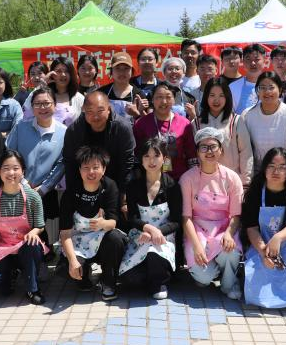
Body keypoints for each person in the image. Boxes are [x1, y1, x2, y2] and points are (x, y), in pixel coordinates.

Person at [242, 148, 286, 312]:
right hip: (260, 243)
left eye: (282, 167)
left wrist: (278, 238)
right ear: (264, 168)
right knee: (255, 297)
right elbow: (251, 227)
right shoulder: (255, 192)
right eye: (271, 166)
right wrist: (263, 252)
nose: (276, 171)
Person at [0, 150, 47, 304]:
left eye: (15, 168)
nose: (11, 173)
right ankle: (10, 278)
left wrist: (34, 232)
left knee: (33, 244)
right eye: (6, 168)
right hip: (3, 249)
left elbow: (40, 225)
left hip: (25, 248)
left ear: (23, 171)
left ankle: (33, 289)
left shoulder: (33, 196)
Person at [180, 128, 244, 299]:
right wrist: (196, 245)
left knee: (230, 251)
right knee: (203, 276)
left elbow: (236, 214)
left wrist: (229, 234)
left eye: (213, 146)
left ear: (221, 150)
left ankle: (229, 283)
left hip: (223, 229)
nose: (209, 151)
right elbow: (186, 217)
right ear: (197, 152)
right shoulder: (187, 179)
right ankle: (213, 272)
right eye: (204, 147)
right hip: (197, 231)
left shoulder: (232, 178)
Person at [59, 146, 127, 301]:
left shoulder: (110, 186)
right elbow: (65, 232)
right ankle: (84, 276)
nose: (91, 172)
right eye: (86, 168)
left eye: (96, 167)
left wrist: (103, 223)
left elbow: (113, 223)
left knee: (115, 239)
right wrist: (72, 261)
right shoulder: (71, 192)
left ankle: (108, 282)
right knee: (68, 271)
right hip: (78, 241)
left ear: (104, 169)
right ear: (79, 170)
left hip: (102, 238)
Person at [119, 138, 182, 299]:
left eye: (156, 156)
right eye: (147, 156)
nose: (151, 161)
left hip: (164, 235)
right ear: (141, 159)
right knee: (130, 279)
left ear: (164, 158)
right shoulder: (133, 185)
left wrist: (157, 232)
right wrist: (147, 229)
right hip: (141, 234)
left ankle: (160, 282)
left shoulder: (172, 186)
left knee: (155, 251)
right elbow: (132, 217)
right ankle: (151, 276)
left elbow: (176, 221)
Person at [6, 86, 67, 249]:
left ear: (55, 105)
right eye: (38, 104)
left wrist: (44, 188)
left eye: (47, 103)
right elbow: (9, 154)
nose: (42, 107)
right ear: (32, 107)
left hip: (45, 191)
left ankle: (46, 252)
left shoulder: (63, 132)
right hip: (17, 187)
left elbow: (62, 164)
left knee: (44, 233)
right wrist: (23, 182)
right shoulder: (21, 127)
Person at [238, 72, 286, 184]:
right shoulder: (247, 115)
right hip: (257, 175)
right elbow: (243, 149)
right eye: (262, 87)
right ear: (257, 91)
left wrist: (284, 175)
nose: (267, 91)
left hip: (283, 176)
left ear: (280, 90)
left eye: (271, 87)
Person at [62, 91, 136, 195]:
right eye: (90, 112)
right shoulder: (74, 130)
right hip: (84, 184)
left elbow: (127, 162)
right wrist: (72, 193)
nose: (95, 117)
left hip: (115, 182)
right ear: (84, 110)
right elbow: (70, 163)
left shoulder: (122, 128)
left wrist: (123, 193)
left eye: (100, 111)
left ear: (109, 109)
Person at [133, 82, 196, 181]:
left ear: (174, 100)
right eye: (159, 97)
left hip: (179, 178)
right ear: (152, 100)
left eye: (168, 97)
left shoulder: (184, 124)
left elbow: (191, 154)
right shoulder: (141, 124)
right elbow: (136, 154)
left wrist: (193, 179)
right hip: (150, 179)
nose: (164, 101)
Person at [194, 77, 250, 182]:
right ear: (206, 97)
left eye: (221, 95)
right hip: (204, 181)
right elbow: (193, 154)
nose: (216, 100)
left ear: (227, 97)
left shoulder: (236, 121)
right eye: (212, 95)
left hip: (231, 180)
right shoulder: (196, 123)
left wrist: (246, 181)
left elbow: (246, 153)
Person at [23, 57, 85, 126]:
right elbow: (26, 111)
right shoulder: (44, 94)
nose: (63, 74)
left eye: (67, 71)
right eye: (58, 71)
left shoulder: (79, 98)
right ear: (51, 73)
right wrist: (41, 85)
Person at [97, 51, 144, 119]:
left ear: (131, 71)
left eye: (126, 68)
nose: (122, 72)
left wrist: (137, 114)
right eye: (117, 68)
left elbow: (148, 123)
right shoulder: (101, 93)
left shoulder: (139, 96)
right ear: (111, 71)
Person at [229, 44, 267, 115]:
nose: (252, 63)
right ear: (243, 62)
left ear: (264, 61)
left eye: (256, 59)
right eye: (248, 59)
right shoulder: (233, 87)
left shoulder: (272, 86)